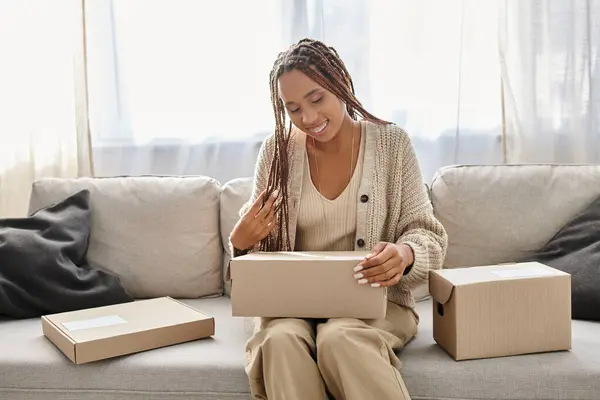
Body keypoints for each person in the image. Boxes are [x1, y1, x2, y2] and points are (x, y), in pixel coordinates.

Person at [228, 38, 448, 400]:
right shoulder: (277, 152)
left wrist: (405, 255)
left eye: (317, 99)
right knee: (281, 341)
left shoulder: (392, 144)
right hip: (289, 307)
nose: (308, 118)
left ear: (341, 84)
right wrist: (240, 243)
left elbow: (426, 233)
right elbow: (251, 258)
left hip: (378, 303)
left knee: (339, 337)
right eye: (294, 109)